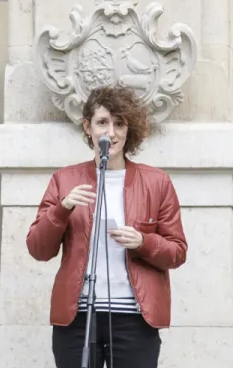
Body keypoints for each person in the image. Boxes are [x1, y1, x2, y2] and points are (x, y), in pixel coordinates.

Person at [27, 84, 188, 368]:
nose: (110, 133)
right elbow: (38, 249)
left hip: (134, 318)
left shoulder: (157, 182)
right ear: (87, 127)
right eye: (102, 122)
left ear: (129, 129)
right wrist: (62, 209)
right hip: (78, 317)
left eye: (119, 123)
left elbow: (177, 252)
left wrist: (143, 242)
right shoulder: (64, 180)